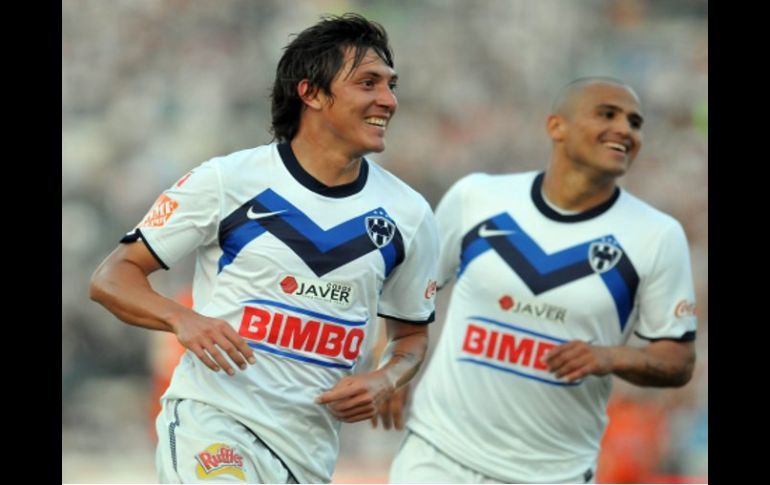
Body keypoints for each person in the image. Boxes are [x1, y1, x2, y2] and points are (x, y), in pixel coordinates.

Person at [89, 13, 439, 484]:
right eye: (368, 83)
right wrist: (183, 319)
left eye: (391, 85)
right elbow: (112, 277)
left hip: (307, 454)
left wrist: (385, 378)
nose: (389, 101)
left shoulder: (410, 214)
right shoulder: (227, 181)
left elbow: (411, 337)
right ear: (311, 93)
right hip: (212, 424)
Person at [383, 77, 697, 484]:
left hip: (553, 471)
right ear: (556, 126)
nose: (625, 129)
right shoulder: (476, 197)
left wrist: (609, 358)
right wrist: (394, 365)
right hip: (438, 452)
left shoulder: (657, 235)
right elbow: (409, 291)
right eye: (607, 114)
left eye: (635, 123)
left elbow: (678, 360)